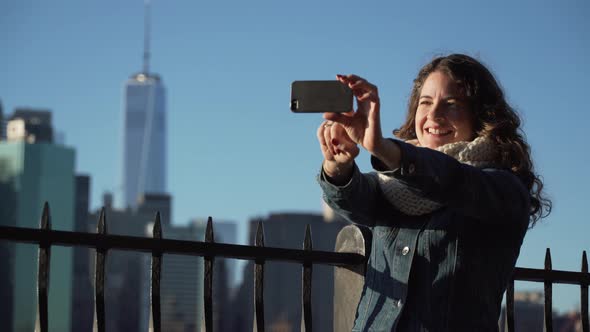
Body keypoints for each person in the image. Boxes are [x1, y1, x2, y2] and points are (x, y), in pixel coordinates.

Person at [316, 54, 551, 331]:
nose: (434, 115)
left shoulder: (502, 190)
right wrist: (337, 166)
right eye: (425, 102)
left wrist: (383, 149)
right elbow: (356, 199)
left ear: (481, 116)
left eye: (452, 105)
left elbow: (452, 181)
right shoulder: (393, 183)